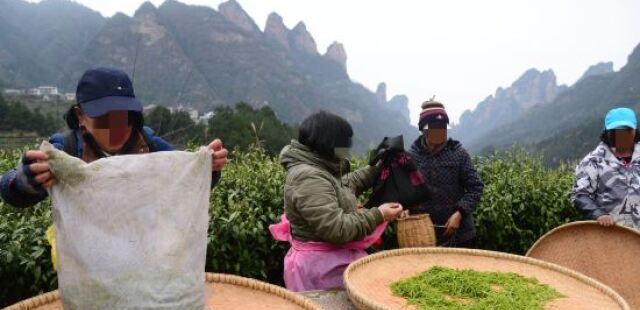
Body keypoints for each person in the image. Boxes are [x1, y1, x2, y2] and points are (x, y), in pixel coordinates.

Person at [0, 67, 228, 208]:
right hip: (86, 262)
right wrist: (27, 180)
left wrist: (208, 168)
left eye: (124, 117)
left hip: (143, 255)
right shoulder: (66, 149)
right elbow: (10, 189)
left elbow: (185, 180)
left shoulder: (149, 145)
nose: (116, 128)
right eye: (103, 118)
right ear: (80, 116)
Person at [270, 111, 403, 291]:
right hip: (321, 269)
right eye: (345, 144)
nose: (347, 149)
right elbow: (337, 229)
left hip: (330, 261)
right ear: (329, 142)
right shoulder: (308, 177)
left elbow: (346, 185)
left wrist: (377, 168)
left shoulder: (320, 168)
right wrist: (379, 214)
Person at [408, 100, 484, 247]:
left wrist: (459, 213)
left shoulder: (458, 153)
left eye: (442, 127)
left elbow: (476, 187)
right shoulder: (412, 156)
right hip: (423, 236)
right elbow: (406, 191)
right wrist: (404, 207)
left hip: (459, 235)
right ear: (424, 130)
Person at [571, 107, 639, 229]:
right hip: (612, 236)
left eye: (627, 130)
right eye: (616, 131)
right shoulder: (593, 161)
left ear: (634, 131)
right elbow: (580, 195)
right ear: (608, 133)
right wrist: (598, 213)